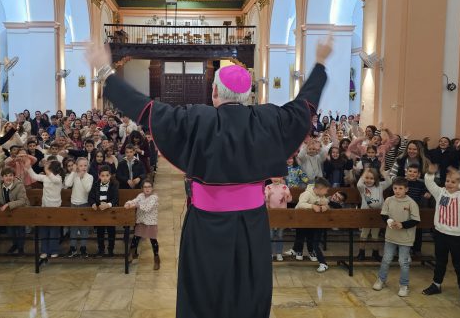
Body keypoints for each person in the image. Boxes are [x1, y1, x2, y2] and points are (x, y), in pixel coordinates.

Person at [88, 35, 333, 318]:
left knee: (203, 291)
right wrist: (320, 62)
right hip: (252, 224)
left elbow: (144, 109)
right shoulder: (268, 119)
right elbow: (304, 106)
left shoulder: (197, 119)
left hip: (206, 225)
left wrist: (105, 71)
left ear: (214, 92)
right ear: (248, 96)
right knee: (248, 288)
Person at [423, 164, 460, 306]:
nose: (449, 184)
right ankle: (436, 284)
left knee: (459, 265)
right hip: (440, 234)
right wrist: (430, 173)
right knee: (440, 261)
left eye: (453, 181)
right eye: (447, 181)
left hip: (456, 237)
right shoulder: (440, 192)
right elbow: (429, 183)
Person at [373, 177, 420, 297]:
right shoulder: (389, 200)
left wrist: (402, 225)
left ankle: (404, 285)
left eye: (400, 188)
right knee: (386, 259)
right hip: (390, 237)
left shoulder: (411, 203)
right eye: (395, 188)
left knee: (403, 262)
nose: (397, 191)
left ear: (406, 189)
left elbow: (415, 220)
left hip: (405, 238)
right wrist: (389, 221)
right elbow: (384, 214)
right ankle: (381, 280)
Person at [0, 167, 29, 255]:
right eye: (6, 176)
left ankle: (20, 248)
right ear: (2, 177)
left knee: (20, 230)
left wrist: (8, 204)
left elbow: (22, 200)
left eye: (11, 175)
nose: (8, 178)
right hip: (8, 212)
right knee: (10, 230)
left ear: (14, 177)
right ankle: (15, 244)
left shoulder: (19, 186)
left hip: (20, 210)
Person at [27, 160, 64, 260]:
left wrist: (46, 169)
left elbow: (53, 179)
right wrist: (28, 166)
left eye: (48, 166)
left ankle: (54, 250)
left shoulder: (58, 178)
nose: (45, 167)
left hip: (55, 209)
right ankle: (44, 251)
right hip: (45, 207)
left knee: (54, 231)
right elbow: (34, 176)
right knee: (44, 230)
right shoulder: (45, 177)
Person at [294, 178, 331, 273]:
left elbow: (326, 201)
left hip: (312, 222)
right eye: (326, 190)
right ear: (320, 189)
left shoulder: (320, 195)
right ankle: (298, 251)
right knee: (301, 237)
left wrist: (325, 206)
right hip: (301, 220)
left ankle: (313, 254)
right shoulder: (307, 193)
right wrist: (312, 206)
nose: (327, 192)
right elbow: (301, 204)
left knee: (311, 239)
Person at [356, 166, 392, 261]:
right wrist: (365, 171)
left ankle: (375, 253)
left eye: (371, 178)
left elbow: (389, 182)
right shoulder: (363, 187)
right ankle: (361, 252)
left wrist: (382, 172)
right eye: (367, 178)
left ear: (376, 179)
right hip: (366, 214)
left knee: (375, 234)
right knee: (364, 234)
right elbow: (359, 184)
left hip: (377, 214)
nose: (369, 180)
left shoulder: (380, 186)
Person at [125, 179, 160, 269]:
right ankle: (131, 254)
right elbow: (135, 201)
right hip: (141, 221)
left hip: (151, 222)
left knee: (153, 241)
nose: (147, 189)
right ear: (142, 188)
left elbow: (147, 208)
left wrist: (137, 205)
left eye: (149, 187)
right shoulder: (140, 195)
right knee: (135, 238)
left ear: (152, 188)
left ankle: (156, 259)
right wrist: (129, 203)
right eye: (145, 187)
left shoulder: (154, 197)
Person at [64, 157, 94, 258]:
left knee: (84, 227)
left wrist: (82, 178)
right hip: (74, 204)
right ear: (77, 166)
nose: (83, 167)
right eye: (81, 165)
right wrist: (73, 172)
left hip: (84, 204)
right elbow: (67, 184)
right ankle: (72, 248)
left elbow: (88, 189)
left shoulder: (89, 177)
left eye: (85, 165)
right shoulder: (74, 175)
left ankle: (83, 247)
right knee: (73, 227)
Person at [89, 165, 119, 257]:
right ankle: (101, 249)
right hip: (99, 212)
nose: (105, 178)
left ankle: (110, 249)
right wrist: (93, 203)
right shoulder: (96, 185)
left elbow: (115, 199)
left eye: (107, 175)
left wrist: (108, 205)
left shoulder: (114, 185)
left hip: (110, 211)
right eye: (102, 175)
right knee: (100, 231)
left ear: (110, 176)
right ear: (99, 176)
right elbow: (91, 197)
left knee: (111, 231)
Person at [404, 164, 430, 256]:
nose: (412, 173)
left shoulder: (421, 184)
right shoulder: (403, 183)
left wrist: (427, 194)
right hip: (404, 210)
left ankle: (417, 248)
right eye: (410, 171)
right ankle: (405, 248)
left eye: (415, 172)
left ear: (418, 174)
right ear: (406, 172)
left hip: (416, 210)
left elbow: (425, 193)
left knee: (417, 230)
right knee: (405, 229)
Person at [265, 177, 291, 261]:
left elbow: (289, 200)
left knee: (280, 235)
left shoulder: (285, 187)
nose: (275, 179)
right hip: (271, 214)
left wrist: (286, 195)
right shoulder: (268, 187)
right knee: (270, 235)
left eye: (278, 177)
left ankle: (279, 253)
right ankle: (270, 253)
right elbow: (263, 199)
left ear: (281, 178)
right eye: (273, 177)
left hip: (281, 214)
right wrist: (268, 196)